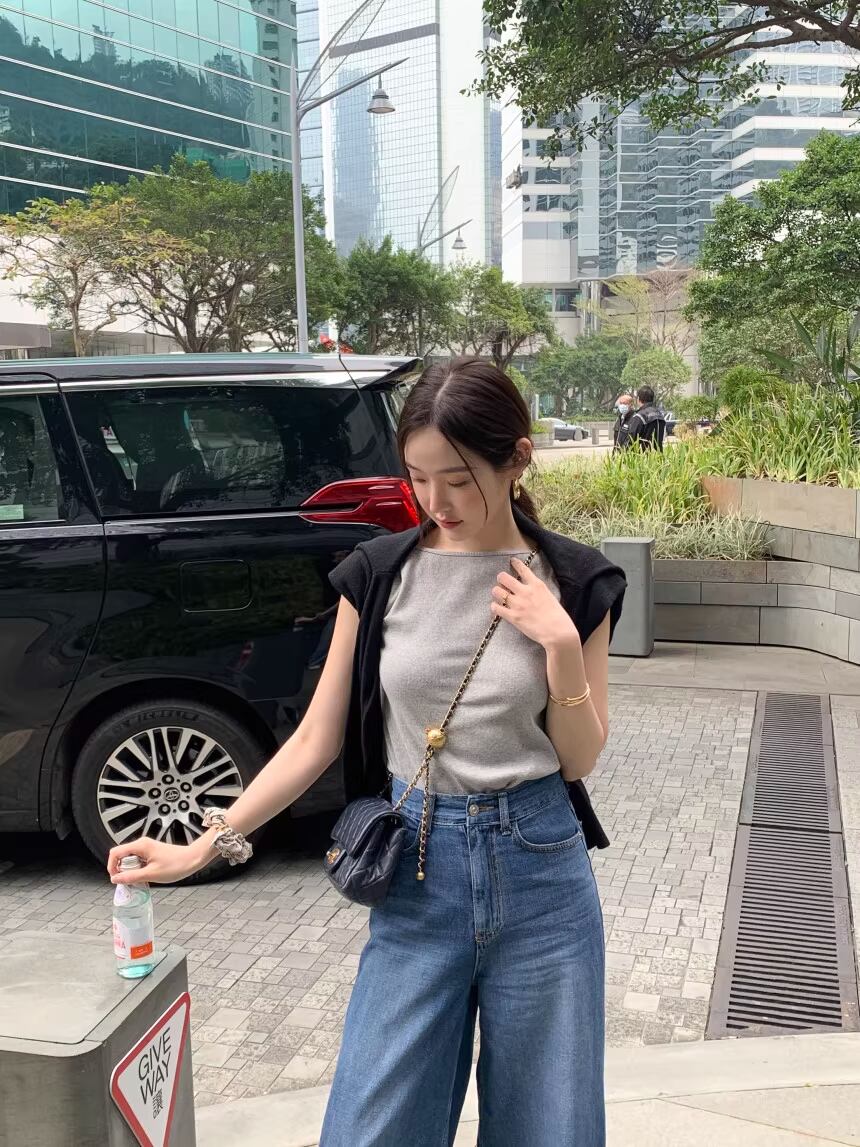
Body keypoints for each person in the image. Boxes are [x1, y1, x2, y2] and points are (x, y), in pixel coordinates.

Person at [107, 357, 627, 1147]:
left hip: (542, 875)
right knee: (370, 1127)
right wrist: (202, 847)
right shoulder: (382, 574)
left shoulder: (578, 581)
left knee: (550, 1128)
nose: (436, 502)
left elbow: (579, 758)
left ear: (517, 459)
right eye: (418, 478)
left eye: (459, 480)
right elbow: (314, 739)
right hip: (417, 868)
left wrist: (559, 644)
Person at [616, 385, 666, 452]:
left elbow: (631, 440)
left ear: (639, 399)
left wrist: (623, 454)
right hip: (657, 454)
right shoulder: (659, 415)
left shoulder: (640, 416)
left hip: (642, 455)